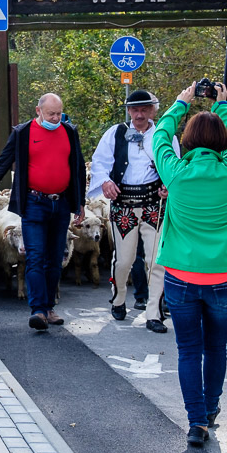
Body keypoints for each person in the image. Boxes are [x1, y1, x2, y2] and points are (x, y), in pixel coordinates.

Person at [154, 82, 227, 447]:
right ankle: (211, 409)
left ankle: (197, 422)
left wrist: (181, 102)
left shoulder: (175, 173)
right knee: (217, 348)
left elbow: (160, 136)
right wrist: (224, 106)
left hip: (180, 276)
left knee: (188, 351)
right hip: (225, 278)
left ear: (189, 141)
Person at [0, 93, 85, 331]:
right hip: (34, 203)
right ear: (39, 111)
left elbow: (78, 166)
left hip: (60, 204)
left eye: (59, 113)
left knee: (55, 259)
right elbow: (2, 164)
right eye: (51, 114)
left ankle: (49, 307)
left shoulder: (69, 132)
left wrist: (80, 203)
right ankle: (38, 310)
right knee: (35, 257)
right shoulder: (23, 133)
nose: (56, 118)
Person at [87, 90, 169, 332]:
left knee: (157, 261)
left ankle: (154, 313)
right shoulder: (116, 132)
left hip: (154, 203)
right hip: (123, 203)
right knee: (124, 261)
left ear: (153, 110)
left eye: (145, 109)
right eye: (135, 109)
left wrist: (168, 184)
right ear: (129, 110)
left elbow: (174, 165)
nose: (139, 114)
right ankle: (119, 296)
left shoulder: (164, 134)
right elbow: (100, 163)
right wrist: (105, 182)